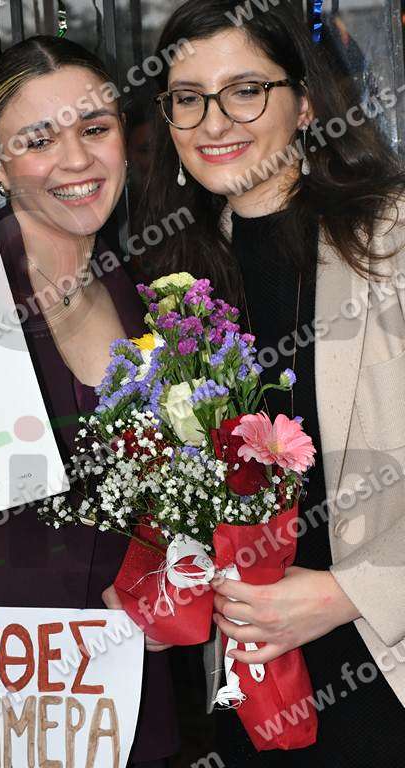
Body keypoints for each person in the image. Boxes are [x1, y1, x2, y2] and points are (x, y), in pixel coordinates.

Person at [0, 35, 178, 768]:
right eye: (39, 140)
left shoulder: (154, 296)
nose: (76, 160)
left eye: (95, 128)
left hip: (111, 694)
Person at [140, 1, 405, 766]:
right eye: (188, 98)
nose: (214, 120)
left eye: (246, 90)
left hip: (385, 677)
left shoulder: (390, 237)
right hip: (254, 691)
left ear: (307, 103)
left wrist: (346, 593)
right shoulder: (183, 281)